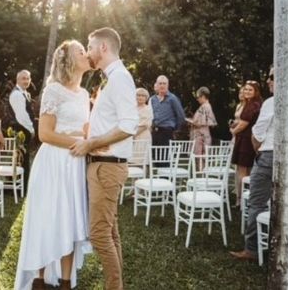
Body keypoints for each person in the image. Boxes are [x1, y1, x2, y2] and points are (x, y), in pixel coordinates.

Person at [15, 40, 92, 290]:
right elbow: (45, 134)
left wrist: (93, 140)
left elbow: (86, 129)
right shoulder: (53, 90)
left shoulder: (84, 95)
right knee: (48, 217)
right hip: (52, 163)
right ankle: (40, 279)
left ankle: (66, 282)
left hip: (75, 165)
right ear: (68, 60)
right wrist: (81, 142)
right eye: (81, 52)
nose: (86, 54)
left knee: (70, 219)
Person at [70, 27, 139, 290]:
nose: (87, 53)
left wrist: (92, 143)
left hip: (108, 167)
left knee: (99, 234)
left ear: (103, 48)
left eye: (89, 46)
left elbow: (129, 125)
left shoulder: (120, 77)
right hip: (103, 165)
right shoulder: (111, 79)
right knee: (110, 232)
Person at [230, 67, 275, 261]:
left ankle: (252, 249)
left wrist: (259, 150)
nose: (268, 81)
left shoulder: (271, 102)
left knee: (257, 202)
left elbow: (258, 132)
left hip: (269, 154)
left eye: (272, 77)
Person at [230, 81, 262, 207]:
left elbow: (244, 124)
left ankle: (241, 201)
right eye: (246, 89)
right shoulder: (251, 103)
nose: (247, 91)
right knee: (245, 170)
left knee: (242, 171)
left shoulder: (253, 105)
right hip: (246, 139)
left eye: (250, 90)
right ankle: (244, 199)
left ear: (255, 92)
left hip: (245, 141)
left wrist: (233, 131)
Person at [3, 69, 36, 187]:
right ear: (17, 80)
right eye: (23, 78)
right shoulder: (17, 94)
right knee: (20, 159)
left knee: (23, 159)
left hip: (23, 130)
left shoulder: (25, 93)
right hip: (20, 130)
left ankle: (22, 185)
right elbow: (22, 116)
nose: (26, 81)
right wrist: (32, 130)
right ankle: (19, 187)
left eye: (28, 78)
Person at [150, 75, 185, 146]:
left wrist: (174, 129)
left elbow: (181, 116)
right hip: (154, 131)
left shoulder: (172, 98)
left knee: (165, 156)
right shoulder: (153, 99)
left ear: (168, 85)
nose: (162, 85)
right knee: (154, 155)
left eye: (164, 83)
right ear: (156, 85)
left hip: (167, 131)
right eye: (160, 83)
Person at [187, 86, 217, 168]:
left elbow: (200, 123)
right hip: (203, 134)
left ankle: (200, 176)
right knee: (201, 157)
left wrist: (189, 121)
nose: (197, 99)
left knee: (199, 157)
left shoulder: (205, 107)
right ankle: (201, 175)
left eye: (198, 97)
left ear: (203, 96)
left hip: (201, 135)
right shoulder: (205, 106)